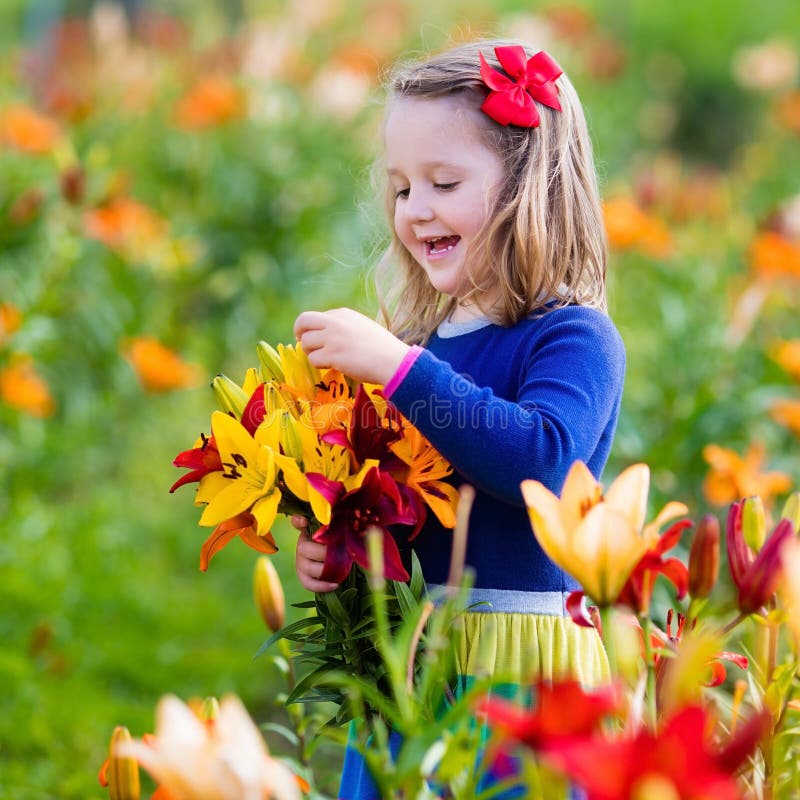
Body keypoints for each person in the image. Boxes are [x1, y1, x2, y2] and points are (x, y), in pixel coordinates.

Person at [292, 38, 625, 799]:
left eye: (443, 182)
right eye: (402, 189)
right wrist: (343, 560)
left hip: (524, 674)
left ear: (528, 186)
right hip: (419, 666)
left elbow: (540, 460)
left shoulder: (573, 338)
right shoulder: (422, 347)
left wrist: (398, 371)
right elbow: (412, 522)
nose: (415, 212)